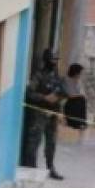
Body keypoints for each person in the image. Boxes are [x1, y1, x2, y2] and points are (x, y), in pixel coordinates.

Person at [23, 48, 67, 180]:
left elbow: (62, 93)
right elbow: (30, 93)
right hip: (39, 113)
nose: (54, 62)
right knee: (34, 142)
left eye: (56, 59)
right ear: (47, 60)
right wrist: (44, 98)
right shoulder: (38, 76)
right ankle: (31, 169)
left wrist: (60, 112)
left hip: (52, 114)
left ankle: (50, 167)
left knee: (51, 143)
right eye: (52, 59)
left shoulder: (57, 77)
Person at [63, 63, 87, 131]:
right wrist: (80, 95)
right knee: (81, 99)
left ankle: (81, 122)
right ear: (76, 73)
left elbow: (80, 93)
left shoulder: (77, 81)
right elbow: (70, 95)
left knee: (82, 100)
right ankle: (75, 122)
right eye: (80, 73)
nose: (80, 75)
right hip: (68, 102)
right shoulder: (66, 80)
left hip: (76, 101)